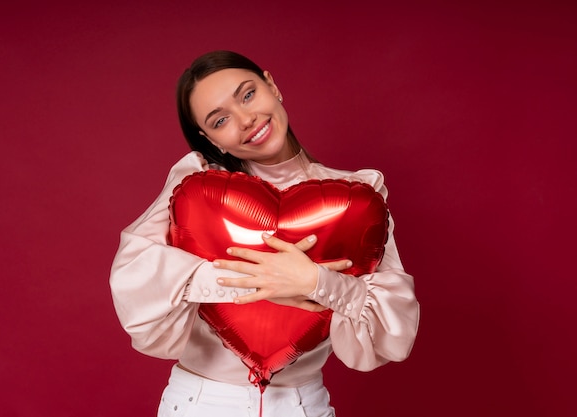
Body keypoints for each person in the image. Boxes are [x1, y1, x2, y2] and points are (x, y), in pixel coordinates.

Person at [110, 50, 419, 417]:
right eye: (221, 119)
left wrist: (316, 281)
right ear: (211, 139)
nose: (246, 119)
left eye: (248, 94)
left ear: (272, 86)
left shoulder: (357, 199)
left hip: (304, 406)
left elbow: (393, 328)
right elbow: (135, 276)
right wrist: (257, 279)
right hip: (201, 404)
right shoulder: (197, 191)